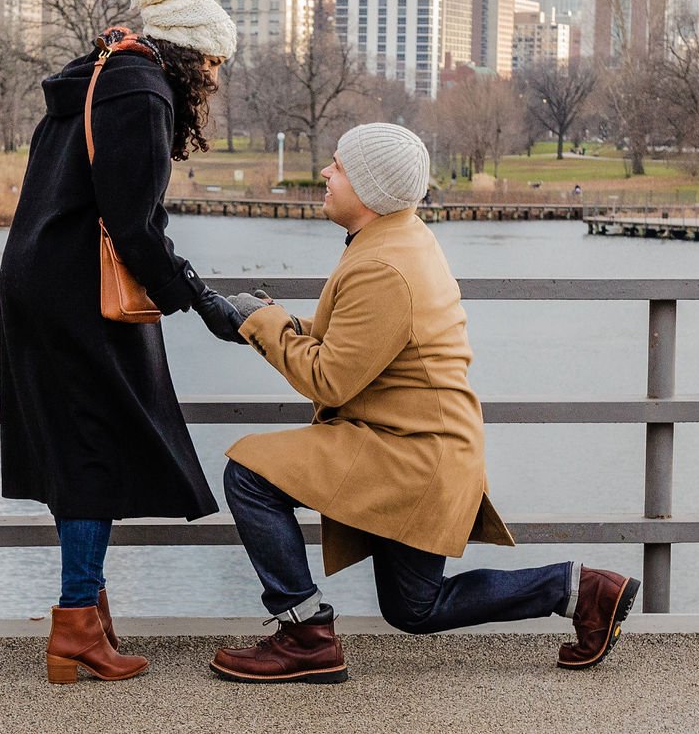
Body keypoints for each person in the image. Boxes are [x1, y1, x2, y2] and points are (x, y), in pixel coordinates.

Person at [209, 122, 637, 684]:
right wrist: (276, 321)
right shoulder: (398, 239)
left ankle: (305, 634)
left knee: (248, 471)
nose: (325, 173)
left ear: (367, 186)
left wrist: (262, 324)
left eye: (337, 165)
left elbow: (330, 379)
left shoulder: (383, 265)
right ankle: (580, 590)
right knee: (415, 608)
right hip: (420, 447)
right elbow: (361, 340)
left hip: (408, 454)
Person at [0, 0, 255, 685]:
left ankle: (91, 611)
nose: (214, 76)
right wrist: (203, 301)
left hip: (36, 277)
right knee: (91, 449)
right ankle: (76, 625)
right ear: (188, 53)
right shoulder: (143, 93)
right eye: (213, 61)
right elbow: (134, 227)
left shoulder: (103, 70)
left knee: (76, 441)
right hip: (79, 291)